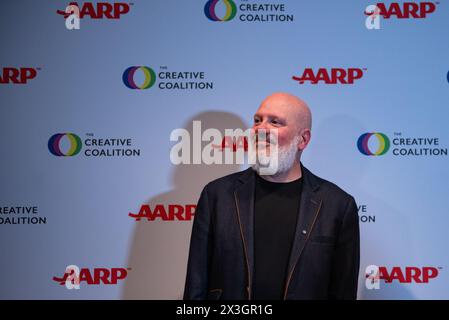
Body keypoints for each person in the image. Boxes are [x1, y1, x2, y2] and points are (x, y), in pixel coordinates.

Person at [183, 92, 360, 300]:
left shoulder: (338, 205)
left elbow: (343, 293)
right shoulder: (217, 195)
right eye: (257, 120)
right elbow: (196, 285)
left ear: (302, 139)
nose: (261, 129)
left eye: (275, 122)